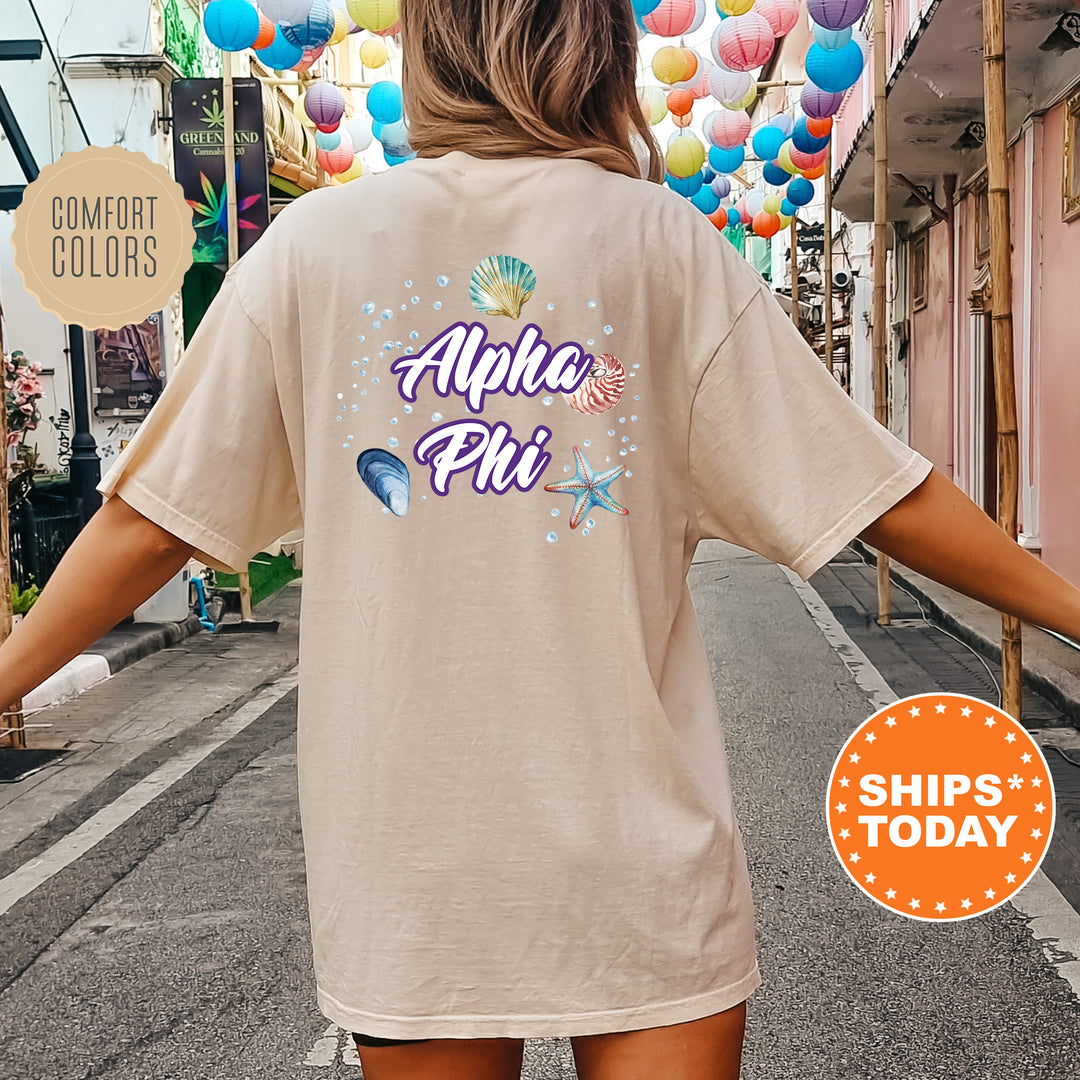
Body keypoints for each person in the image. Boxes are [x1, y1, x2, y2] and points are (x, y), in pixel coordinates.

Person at [3, 2, 1078, 1078]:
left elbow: (149, 526)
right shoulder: (663, 246)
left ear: (431, 45)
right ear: (597, 47)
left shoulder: (311, 249)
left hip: (411, 866)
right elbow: (879, 495)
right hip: (640, 856)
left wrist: (8, 673)